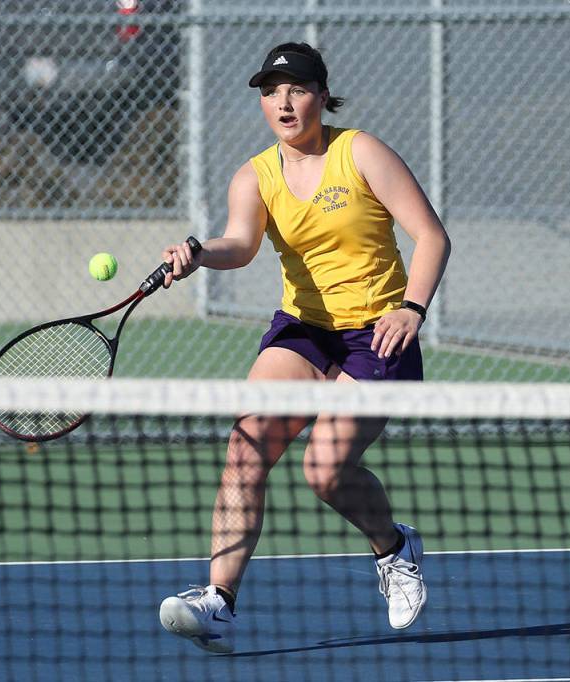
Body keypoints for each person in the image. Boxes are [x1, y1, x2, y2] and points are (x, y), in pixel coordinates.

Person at [156, 42, 451, 654]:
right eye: (271, 92)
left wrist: (411, 307)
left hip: (378, 331)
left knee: (323, 470)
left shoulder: (360, 152)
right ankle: (220, 602)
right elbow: (240, 243)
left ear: (321, 93)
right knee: (246, 446)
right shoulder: (256, 174)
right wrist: (198, 253)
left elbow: (431, 236)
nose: (283, 103)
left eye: (295, 89)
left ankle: (395, 548)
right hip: (304, 329)